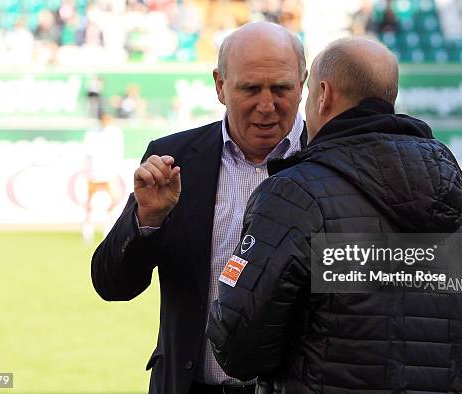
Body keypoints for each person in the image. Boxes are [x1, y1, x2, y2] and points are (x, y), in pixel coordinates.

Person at [206, 37, 462, 393]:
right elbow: (459, 339)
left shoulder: (296, 194)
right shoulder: (458, 215)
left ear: (324, 94)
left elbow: (239, 347)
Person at [91, 21, 308, 394]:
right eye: (251, 88)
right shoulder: (174, 161)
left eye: (282, 88)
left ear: (303, 83)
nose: (267, 105)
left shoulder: (331, 162)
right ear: (220, 86)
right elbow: (112, 284)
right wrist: (147, 221)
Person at [82, 113, 124, 242]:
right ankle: (87, 232)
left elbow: (118, 153)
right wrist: (88, 170)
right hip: (94, 173)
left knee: (112, 203)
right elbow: (87, 153)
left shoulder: (116, 133)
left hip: (109, 174)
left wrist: (115, 171)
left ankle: (108, 231)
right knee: (90, 204)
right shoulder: (92, 133)